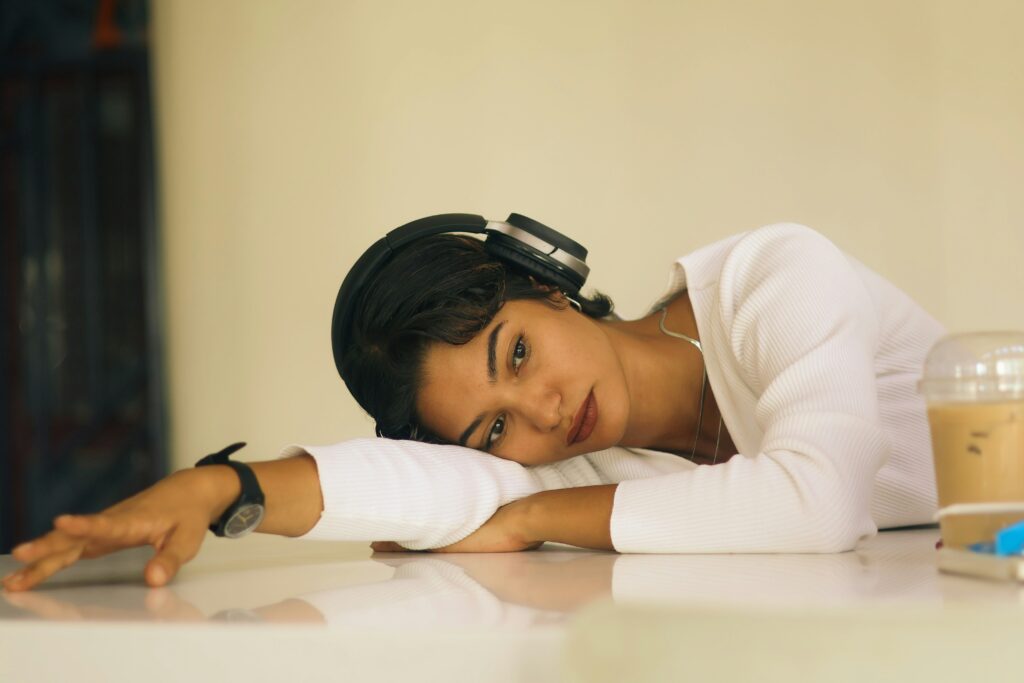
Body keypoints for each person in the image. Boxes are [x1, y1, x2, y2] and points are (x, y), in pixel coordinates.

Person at [2, 216, 945, 593]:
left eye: (517, 351)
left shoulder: (774, 277)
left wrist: (533, 517)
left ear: (550, 283)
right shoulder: (578, 458)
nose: (541, 412)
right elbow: (425, 485)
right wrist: (225, 487)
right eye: (493, 427)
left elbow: (822, 502)